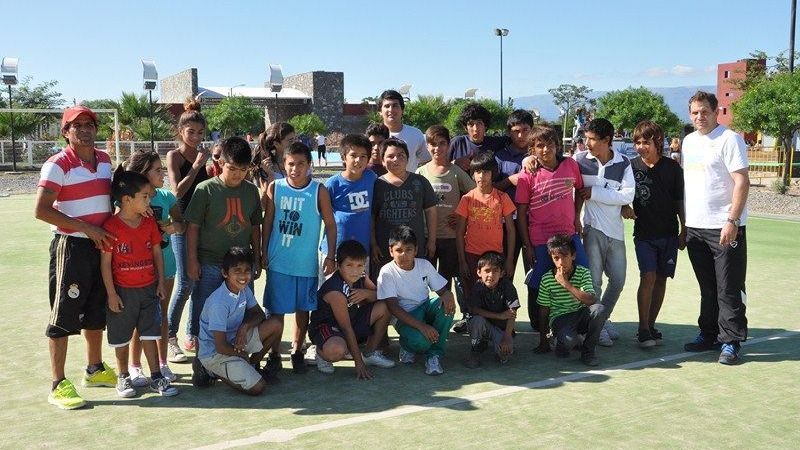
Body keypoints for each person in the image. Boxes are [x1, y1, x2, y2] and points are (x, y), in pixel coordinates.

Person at [35, 105, 118, 409]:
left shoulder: (106, 161)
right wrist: (86, 228)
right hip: (71, 248)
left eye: (89, 124)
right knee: (64, 314)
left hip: (101, 247)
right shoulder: (58, 164)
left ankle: (94, 369)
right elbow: (41, 210)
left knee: (96, 310)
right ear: (66, 131)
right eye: (77, 125)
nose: (84, 129)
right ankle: (57, 383)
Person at [681, 91, 749, 365]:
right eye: (695, 112)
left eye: (705, 112)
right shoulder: (688, 142)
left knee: (728, 288)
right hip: (696, 227)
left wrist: (732, 220)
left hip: (724, 227)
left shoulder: (730, 139)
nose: (700, 117)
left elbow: (741, 182)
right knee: (707, 287)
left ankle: (731, 341)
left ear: (716, 111)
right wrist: (685, 225)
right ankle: (708, 334)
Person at [185, 137, 264, 372]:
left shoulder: (251, 191)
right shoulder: (205, 189)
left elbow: (255, 228)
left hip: (240, 268)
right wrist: (191, 260)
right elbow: (193, 227)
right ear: (220, 163)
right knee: (204, 313)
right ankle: (202, 363)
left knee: (242, 314)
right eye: (232, 169)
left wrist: (257, 259)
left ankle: (236, 358)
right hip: (209, 263)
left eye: (243, 170)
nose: (237, 175)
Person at [100, 167, 179, 398]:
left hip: (148, 289)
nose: (149, 200)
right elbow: (105, 264)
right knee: (121, 337)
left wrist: (160, 282)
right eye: (145, 197)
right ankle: (123, 377)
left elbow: (157, 253)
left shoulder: (148, 223)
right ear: (127, 199)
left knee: (150, 334)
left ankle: (156, 377)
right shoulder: (111, 227)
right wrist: (112, 294)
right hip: (123, 292)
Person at [263, 141, 337, 374]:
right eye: (291, 164)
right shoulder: (275, 187)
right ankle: (274, 353)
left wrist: (331, 255)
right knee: (276, 310)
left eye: (301, 164)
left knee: (302, 309)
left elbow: (331, 225)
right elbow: (267, 222)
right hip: (278, 262)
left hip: (305, 264)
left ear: (310, 165)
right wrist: (263, 252)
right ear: (284, 165)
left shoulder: (318, 191)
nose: (295, 169)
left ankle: (297, 350)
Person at [515, 125, 588, 347]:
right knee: (540, 285)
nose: (545, 149)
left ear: (557, 145)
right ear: (532, 150)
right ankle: (542, 332)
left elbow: (580, 192)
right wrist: (527, 245)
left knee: (582, 275)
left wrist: (576, 217)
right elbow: (521, 211)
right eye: (539, 145)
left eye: (549, 144)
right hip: (540, 240)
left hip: (569, 236)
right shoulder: (528, 174)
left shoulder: (570, 165)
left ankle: (581, 326)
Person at [621, 120, 685, 348]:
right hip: (644, 235)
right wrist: (623, 207)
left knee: (661, 279)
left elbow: (679, 200)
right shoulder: (630, 167)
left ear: (657, 142)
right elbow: (620, 194)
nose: (640, 147)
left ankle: (652, 324)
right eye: (637, 142)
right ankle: (643, 329)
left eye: (645, 142)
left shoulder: (673, 168)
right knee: (647, 276)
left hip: (668, 233)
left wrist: (684, 228)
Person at [124, 151, 187, 383]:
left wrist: (172, 227)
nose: (163, 174)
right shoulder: (127, 199)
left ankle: (162, 364)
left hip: (166, 264)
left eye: (162, 169)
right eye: (157, 170)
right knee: (138, 318)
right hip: (137, 267)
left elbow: (181, 224)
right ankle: (135, 366)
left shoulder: (167, 197)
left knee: (160, 315)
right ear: (143, 174)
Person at [575, 117, 635, 346]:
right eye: (586, 138)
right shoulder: (579, 160)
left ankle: (602, 318)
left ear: (607, 140)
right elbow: (572, 186)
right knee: (595, 283)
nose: (587, 143)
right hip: (591, 229)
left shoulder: (624, 163)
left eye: (592, 139)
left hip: (616, 232)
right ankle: (595, 327)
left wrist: (594, 193)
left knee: (618, 280)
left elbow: (627, 196)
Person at [195, 247, 284, 395]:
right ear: (225, 273)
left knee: (276, 324)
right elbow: (221, 347)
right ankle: (210, 371)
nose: (243, 275)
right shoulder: (219, 303)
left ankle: (253, 367)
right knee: (258, 388)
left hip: (235, 341)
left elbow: (259, 314)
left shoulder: (244, 289)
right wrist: (243, 356)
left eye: (247, 270)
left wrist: (244, 327)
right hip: (215, 354)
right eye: (237, 270)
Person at [416, 125, 475, 332]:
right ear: (427, 146)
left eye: (442, 144)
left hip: (451, 239)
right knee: (423, 283)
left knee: (446, 282)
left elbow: (475, 197)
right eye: (433, 144)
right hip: (426, 238)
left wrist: (461, 217)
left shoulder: (456, 172)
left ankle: (446, 320)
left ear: (448, 145)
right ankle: (424, 320)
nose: (437, 148)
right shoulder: (421, 173)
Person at [378, 226, 456, 375]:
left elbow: (442, 291)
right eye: (399, 250)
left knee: (447, 307)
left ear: (416, 250)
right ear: (391, 251)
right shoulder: (386, 272)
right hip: (404, 317)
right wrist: (422, 326)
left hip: (425, 307)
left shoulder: (424, 265)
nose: (404, 254)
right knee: (421, 341)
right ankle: (407, 347)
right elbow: (393, 308)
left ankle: (434, 356)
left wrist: (447, 295)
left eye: (408, 250)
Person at [310, 240, 396, 377]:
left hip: (350, 320)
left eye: (359, 265)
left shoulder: (361, 276)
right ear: (339, 265)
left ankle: (369, 352)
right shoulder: (335, 291)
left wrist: (367, 293)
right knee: (337, 350)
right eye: (349, 265)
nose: (355, 270)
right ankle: (321, 354)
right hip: (327, 327)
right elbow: (346, 328)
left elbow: (381, 296)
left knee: (385, 306)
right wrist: (358, 363)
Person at [165, 99, 209, 357]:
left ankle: (193, 335)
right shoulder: (175, 156)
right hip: (181, 225)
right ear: (181, 132)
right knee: (185, 283)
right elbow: (177, 190)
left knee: (199, 280)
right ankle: (170, 336)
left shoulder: (204, 156)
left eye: (200, 132)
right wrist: (195, 167)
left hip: (202, 225)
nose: (195, 136)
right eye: (190, 132)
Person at [455, 152, 516, 299]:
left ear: (493, 173)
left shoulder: (502, 198)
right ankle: (471, 319)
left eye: (486, 172)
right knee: (472, 294)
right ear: (472, 174)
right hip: (471, 255)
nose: (481, 176)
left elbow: (511, 230)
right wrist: (462, 261)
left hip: (495, 254)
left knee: (495, 295)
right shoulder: (467, 199)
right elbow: (459, 232)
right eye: (477, 171)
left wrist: (509, 260)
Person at [537, 234, 604, 366]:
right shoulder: (546, 279)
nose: (561, 262)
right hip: (559, 318)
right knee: (568, 343)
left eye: (565, 256)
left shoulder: (583, 272)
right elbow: (544, 310)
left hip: (580, 313)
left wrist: (566, 284)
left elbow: (591, 300)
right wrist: (542, 340)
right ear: (552, 259)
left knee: (599, 310)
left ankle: (588, 352)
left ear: (573, 256)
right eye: (556, 258)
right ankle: (560, 342)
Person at [371, 138, 438, 268]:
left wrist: (431, 241)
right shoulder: (377, 184)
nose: (396, 159)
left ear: (407, 159)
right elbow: (372, 216)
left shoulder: (420, 182)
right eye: (390, 156)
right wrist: (373, 244)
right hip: (386, 248)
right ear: (383, 161)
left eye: (401, 155)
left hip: (414, 247)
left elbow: (431, 211)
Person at [320, 134, 376, 284]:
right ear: (344, 157)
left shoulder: (372, 178)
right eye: (353, 155)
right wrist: (330, 256)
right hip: (335, 251)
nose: (358, 160)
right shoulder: (332, 184)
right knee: (330, 293)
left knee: (358, 294)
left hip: (361, 253)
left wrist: (374, 244)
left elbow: (372, 215)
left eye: (363, 156)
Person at [464, 251, 520, 368]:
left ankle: (498, 345)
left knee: (505, 353)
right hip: (484, 324)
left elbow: (512, 313)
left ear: (501, 273)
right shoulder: (477, 287)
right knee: (476, 320)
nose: (491, 275)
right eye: (487, 271)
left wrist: (507, 337)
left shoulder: (507, 286)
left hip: (501, 329)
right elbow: (475, 310)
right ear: (479, 272)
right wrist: (499, 316)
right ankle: (475, 349)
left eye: (495, 271)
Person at [378, 90, 431, 170]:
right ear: (380, 111)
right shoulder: (374, 136)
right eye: (387, 106)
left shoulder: (415, 134)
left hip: (409, 182)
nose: (391, 110)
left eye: (395, 106)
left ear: (402, 110)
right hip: (379, 182)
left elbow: (427, 161)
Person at [449, 103, 507, 172]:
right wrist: (454, 163)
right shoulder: (457, 143)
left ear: (485, 126)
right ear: (465, 128)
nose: (475, 128)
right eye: (471, 124)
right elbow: (437, 165)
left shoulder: (497, 143)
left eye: (479, 123)